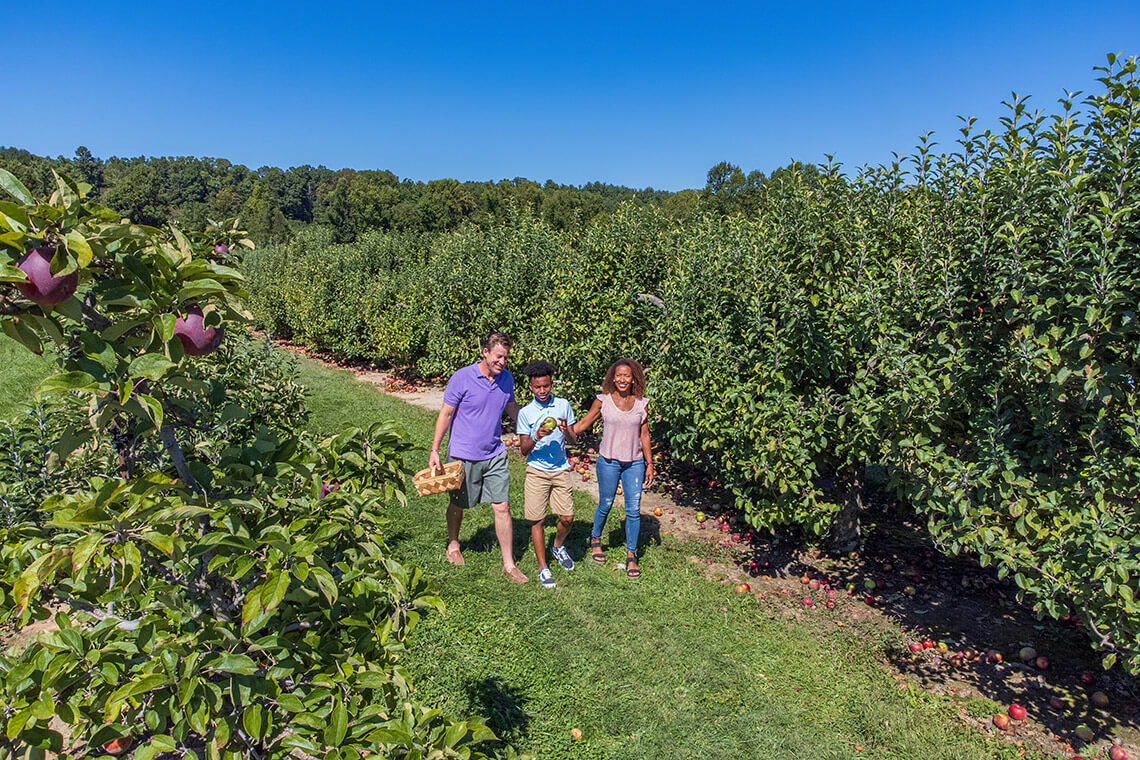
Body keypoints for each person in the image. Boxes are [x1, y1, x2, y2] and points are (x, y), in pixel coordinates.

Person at [428, 332, 526, 583]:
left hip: (494, 452)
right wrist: (435, 450)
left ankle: (509, 564)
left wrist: (530, 424)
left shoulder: (506, 379)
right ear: (485, 352)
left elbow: (510, 407)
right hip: (463, 454)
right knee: (459, 503)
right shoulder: (462, 378)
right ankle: (453, 544)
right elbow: (446, 414)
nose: (503, 362)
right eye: (498, 356)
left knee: (502, 506)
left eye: (506, 357)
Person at [571, 358, 655, 578]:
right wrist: (564, 430)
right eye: (619, 375)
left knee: (633, 510)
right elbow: (583, 423)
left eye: (627, 375)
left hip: (634, 462)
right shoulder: (603, 401)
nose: (622, 379)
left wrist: (650, 463)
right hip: (608, 461)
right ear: (612, 377)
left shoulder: (641, 403)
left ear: (634, 378)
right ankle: (596, 539)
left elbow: (644, 435)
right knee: (606, 503)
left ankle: (631, 555)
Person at [516, 360, 577, 589]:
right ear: (530, 387)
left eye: (546, 386)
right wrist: (537, 435)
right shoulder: (526, 413)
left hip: (560, 468)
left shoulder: (563, 405)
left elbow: (573, 439)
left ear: (551, 384)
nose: (542, 391)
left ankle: (558, 545)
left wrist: (565, 431)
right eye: (538, 387)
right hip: (537, 471)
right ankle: (543, 566)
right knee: (538, 520)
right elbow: (523, 449)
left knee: (567, 518)